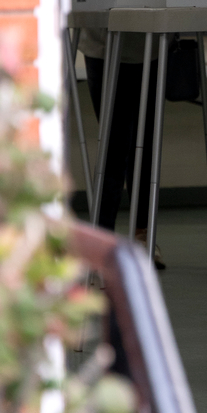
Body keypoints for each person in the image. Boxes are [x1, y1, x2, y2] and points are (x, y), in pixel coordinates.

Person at [79, 28, 165, 269]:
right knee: (114, 147)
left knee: (144, 145)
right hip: (103, 43)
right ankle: (103, 240)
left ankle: (142, 235)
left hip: (151, 40)